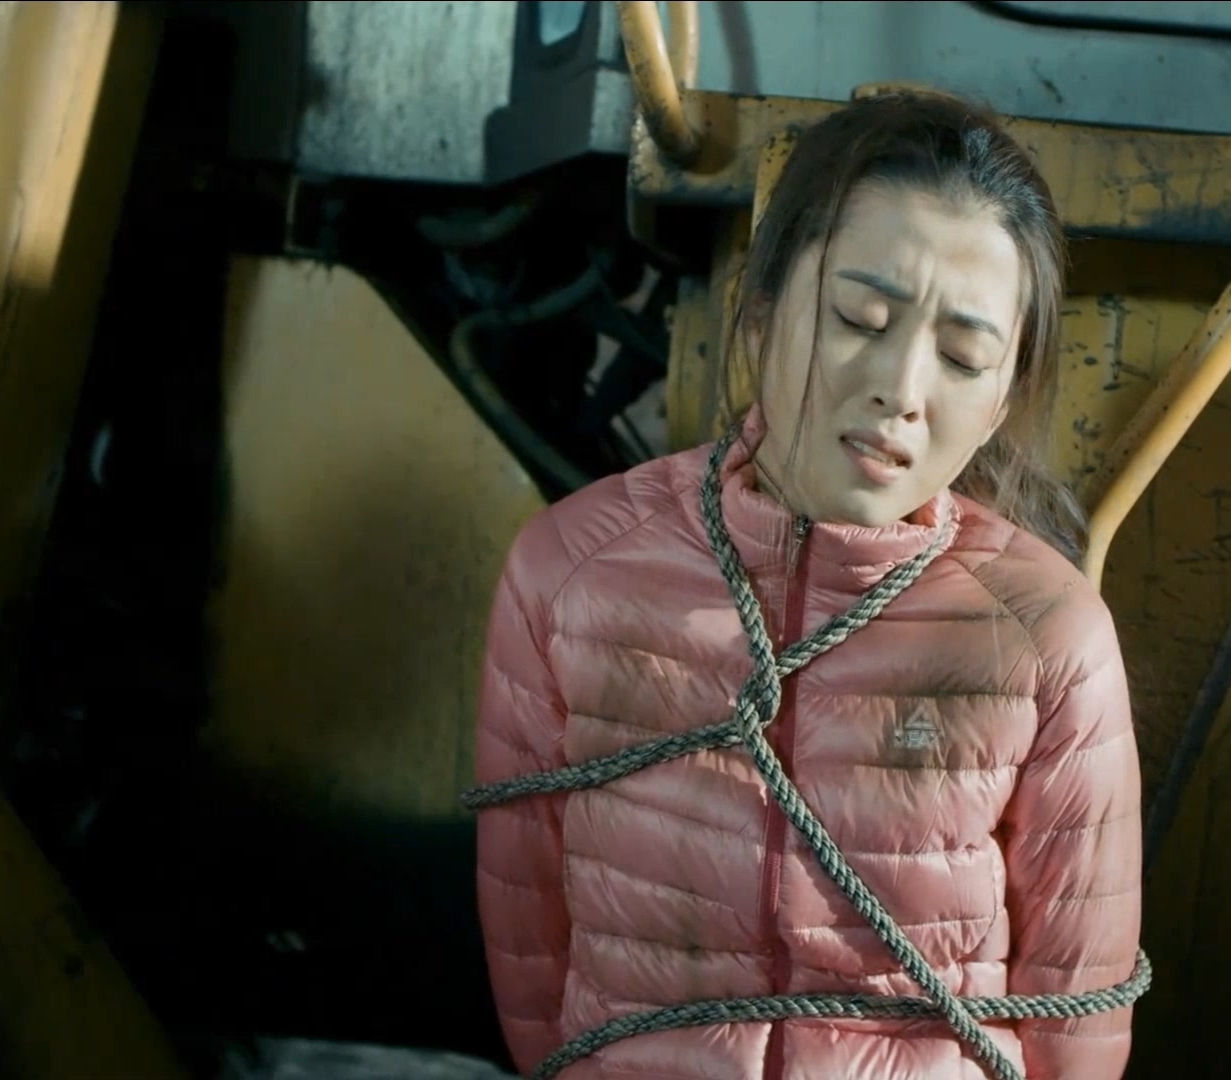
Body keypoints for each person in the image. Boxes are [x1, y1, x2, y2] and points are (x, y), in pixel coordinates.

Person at [469, 90, 1145, 1080]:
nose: (901, 390)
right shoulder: (570, 574)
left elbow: (1076, 1017)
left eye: (963, 357)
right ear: (763, 310)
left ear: (1001, 401)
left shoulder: (1045, 636)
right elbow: (531, 952)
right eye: (858, 318)